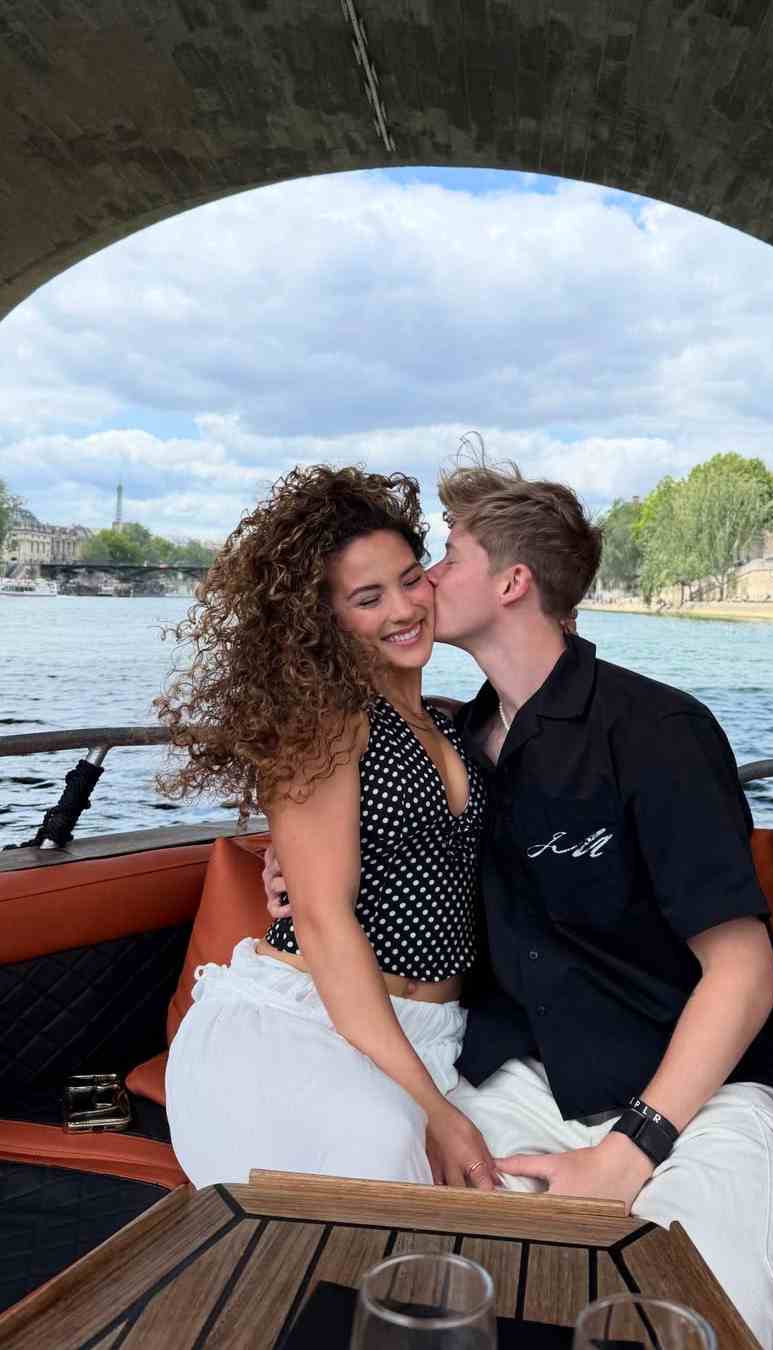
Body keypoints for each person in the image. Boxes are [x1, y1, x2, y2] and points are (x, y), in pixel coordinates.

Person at [266, 458, 773, 1350]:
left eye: (443, 558)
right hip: (522, 1081)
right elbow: (363, 844)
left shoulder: (657, 730)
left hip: (701, 1095)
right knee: (417, 1285)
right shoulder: (456, 742)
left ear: (513, 582)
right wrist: (288, 868)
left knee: (699, 1303)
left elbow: (744, 968)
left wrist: (630, 1150)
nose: (422, 583)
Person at [156, 465, 499, 1189]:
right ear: (326, 618)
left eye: (412, 579)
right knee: (379, 1171)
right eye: (368, 598)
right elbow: (321, 920)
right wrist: (434, 1110)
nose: (405, 608)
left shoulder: (447, 722)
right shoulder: (325, 723)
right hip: (302, 1028)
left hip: (431, 1037)